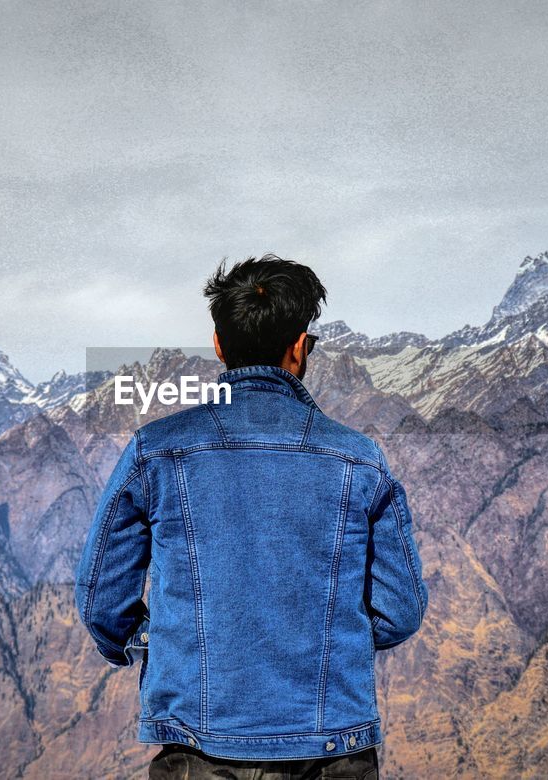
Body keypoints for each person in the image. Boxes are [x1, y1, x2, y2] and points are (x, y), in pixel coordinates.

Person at [74, 254, 428, 779]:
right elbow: (400, 610)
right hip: (332, 748)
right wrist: (322, 637)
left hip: (199, 745)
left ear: (219, 344)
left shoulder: (157, 451)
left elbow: (101, 598)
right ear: (300, 347)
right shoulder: (360, 458)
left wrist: (172, 640)